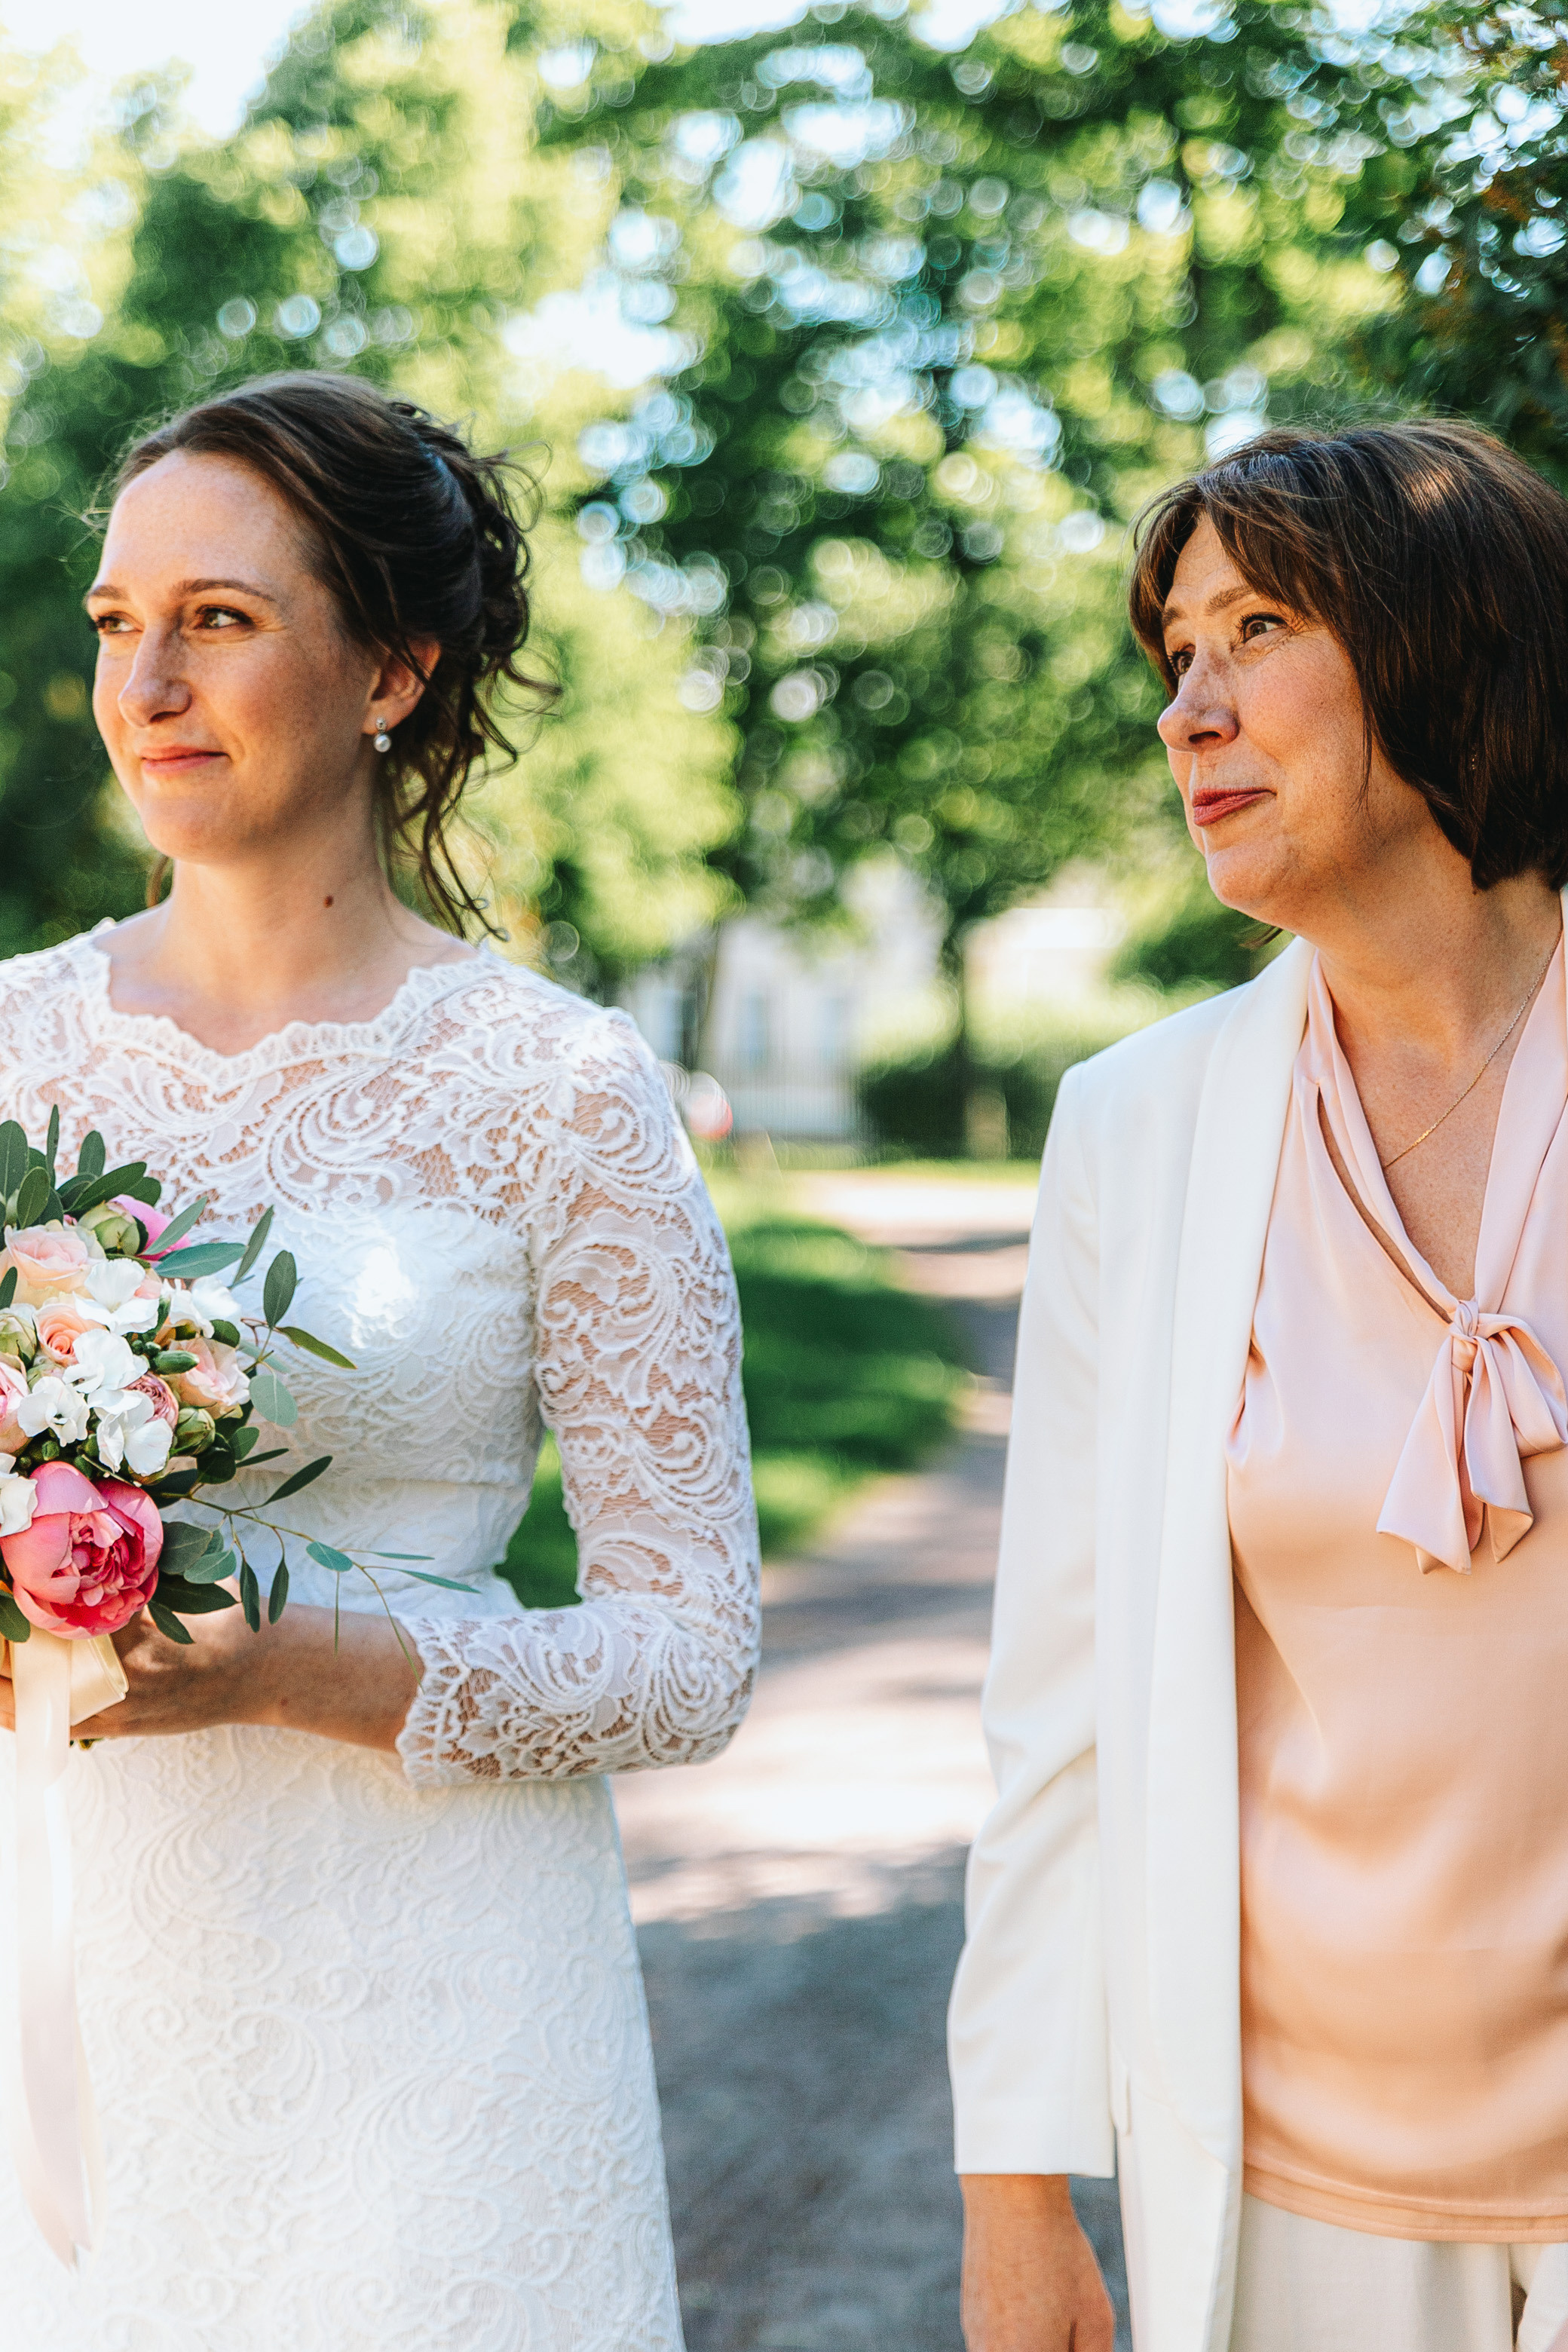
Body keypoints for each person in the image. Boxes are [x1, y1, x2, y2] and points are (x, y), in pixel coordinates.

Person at [0, 371, 760, 2349]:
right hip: (71, 1977)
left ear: (392, 670)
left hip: (440, 2014)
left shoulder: (563, 1092)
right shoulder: (10, 1053)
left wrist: (312, 1665)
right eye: (117, 622)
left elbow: (691, 1649)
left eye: (221, 619)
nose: (145, 678)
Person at [948, 420, 1568, 2352]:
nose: (1187, 710)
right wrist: (1014, 2187)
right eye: (1173, 658)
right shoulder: (1134, 1126)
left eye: (1258, 628)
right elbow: (1055, 1698)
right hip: (1298, 2188)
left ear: (1446, 650)